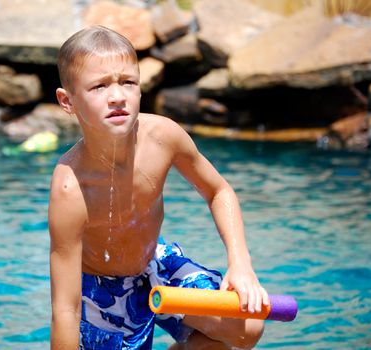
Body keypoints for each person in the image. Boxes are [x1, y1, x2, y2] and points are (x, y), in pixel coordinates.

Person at [49, 25, 269, 350]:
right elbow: (66, 310)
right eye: (99, 86)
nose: (117, 96)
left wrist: (241, 265)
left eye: (128, 82)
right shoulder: (71, 187)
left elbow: (218, 191)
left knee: (247, 327)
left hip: (155, 263)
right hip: (100, 290)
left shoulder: (164, 137)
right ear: (68, 102)